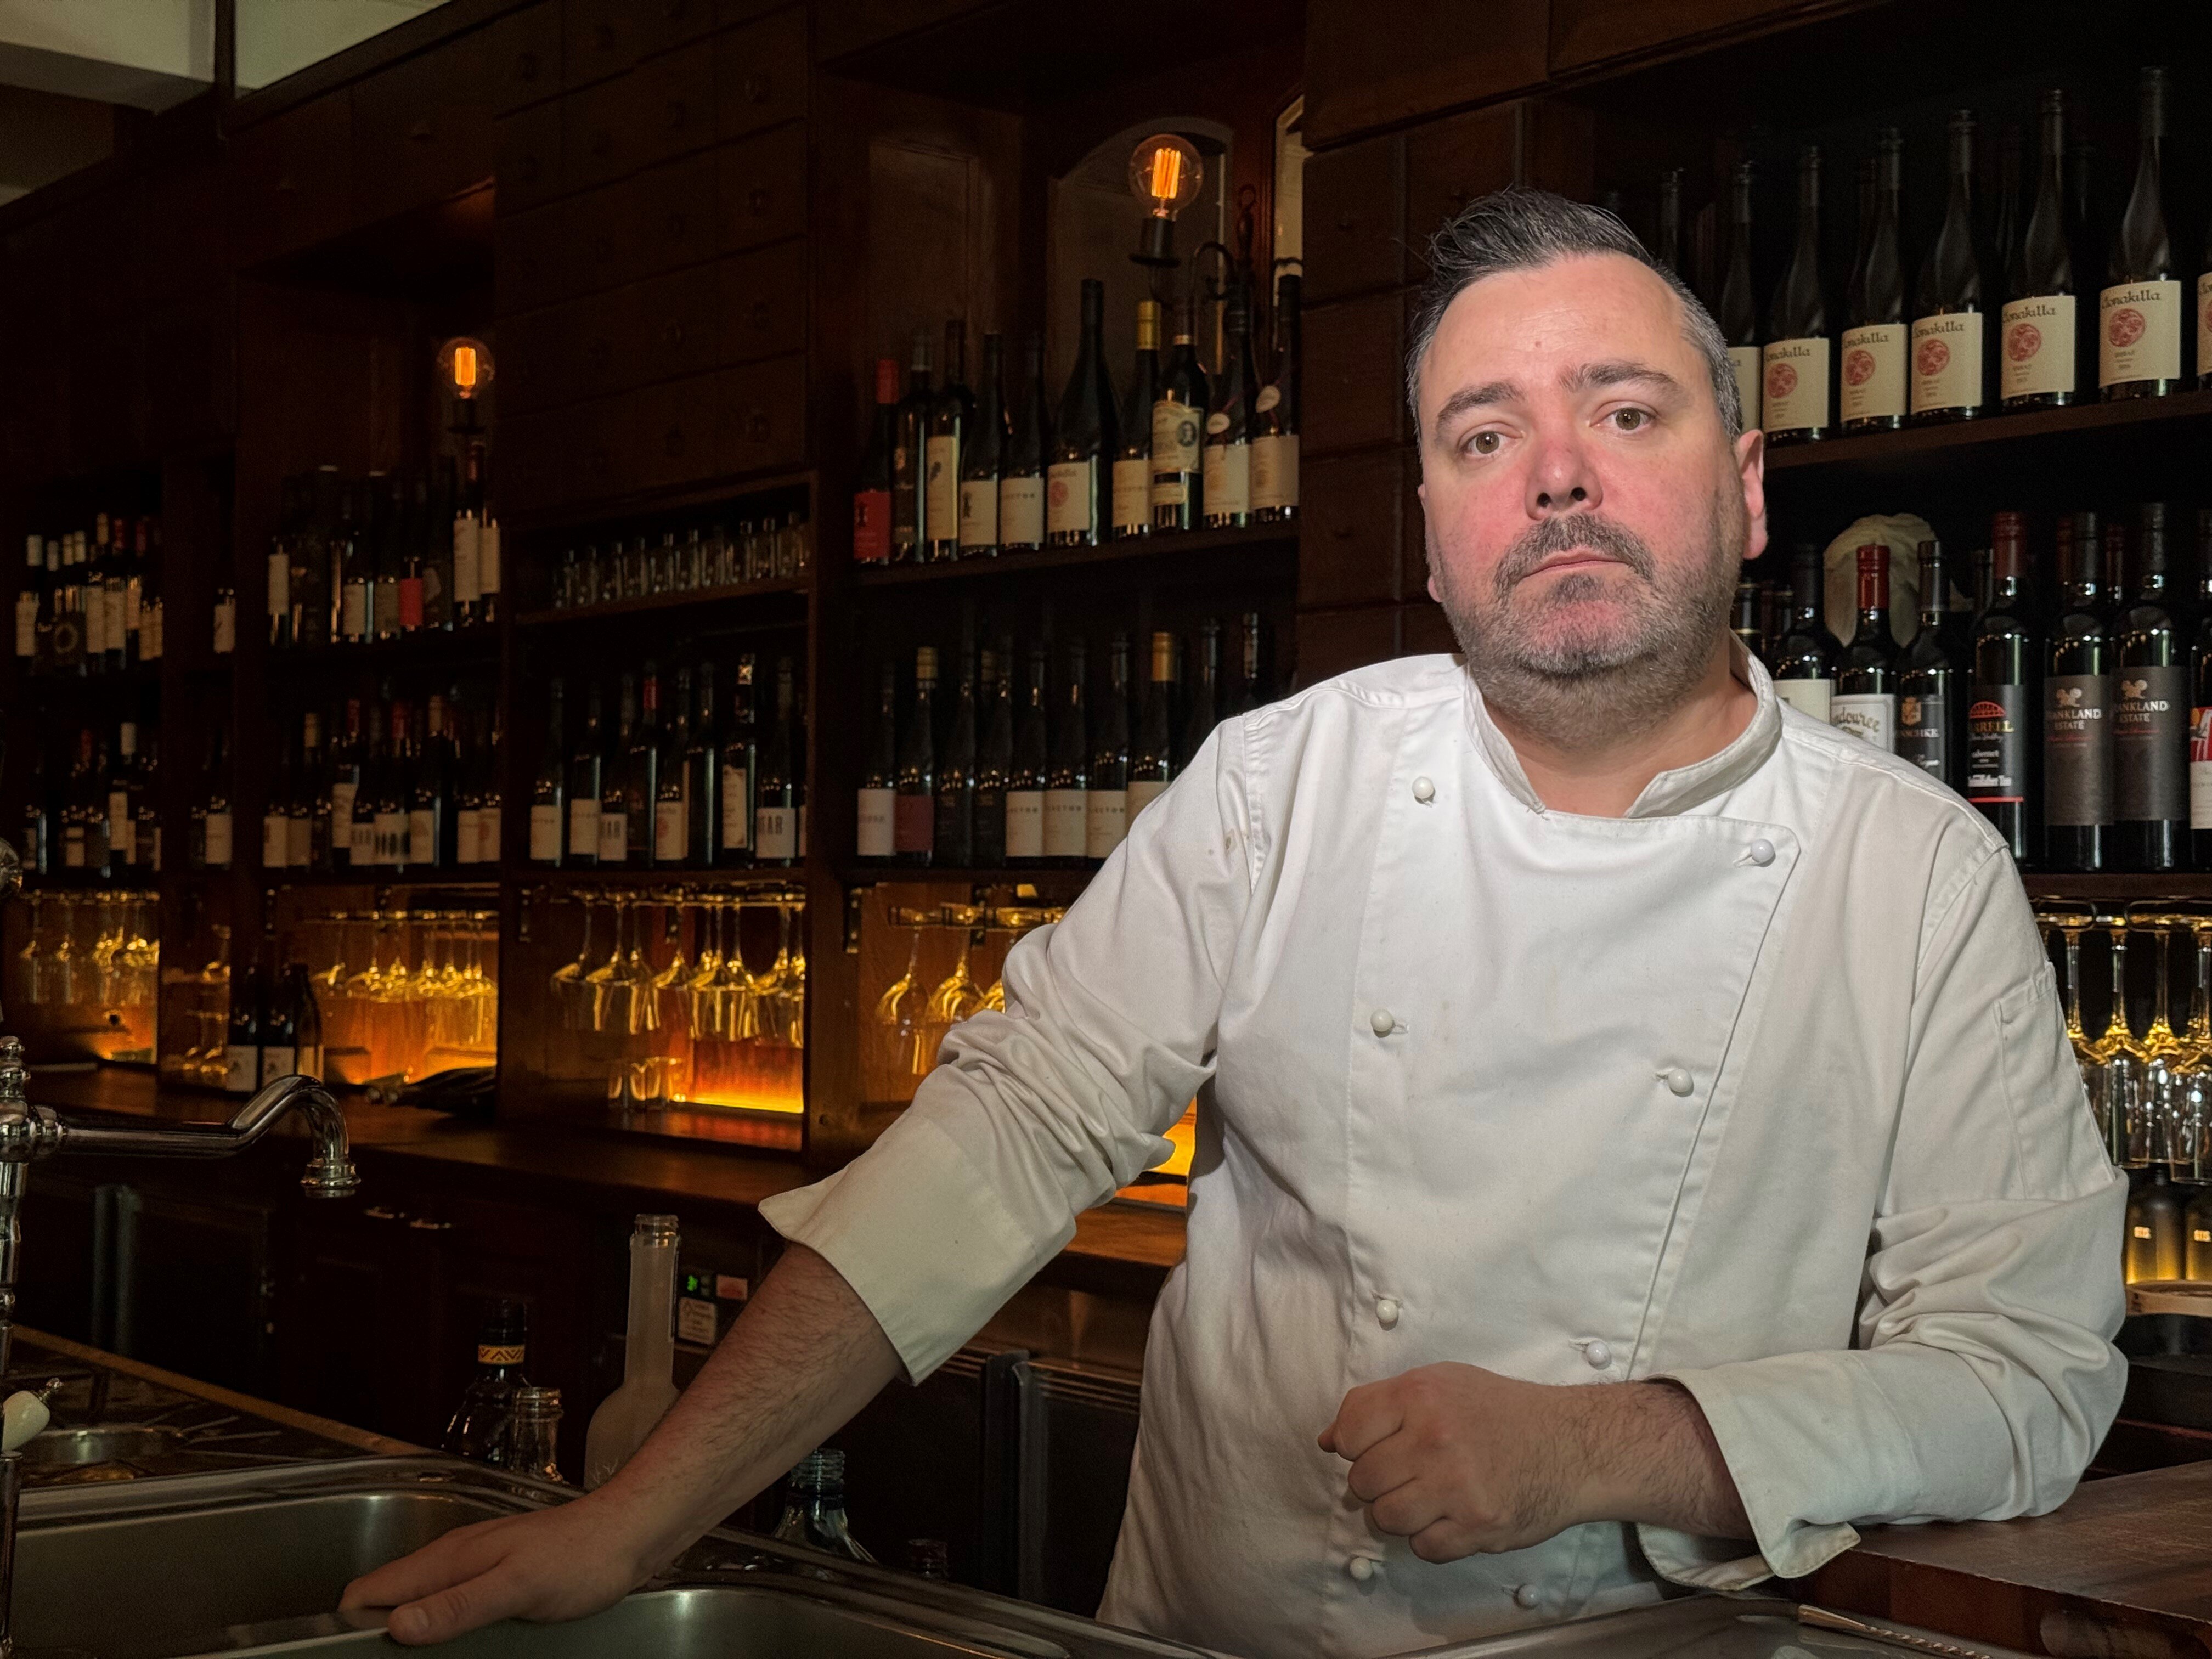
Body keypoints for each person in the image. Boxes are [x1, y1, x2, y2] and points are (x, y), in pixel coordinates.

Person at [344, 188, 2125, 1658]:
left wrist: (1607, 1443)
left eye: (1625, 412)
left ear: (1745, 490)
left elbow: (2028, 1377)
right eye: (1484, 436)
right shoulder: (1282, 785)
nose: (1558, 475)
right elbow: (1003, 1141)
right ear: (1430, 537)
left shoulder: (1916, 877)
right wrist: (639, 1518)